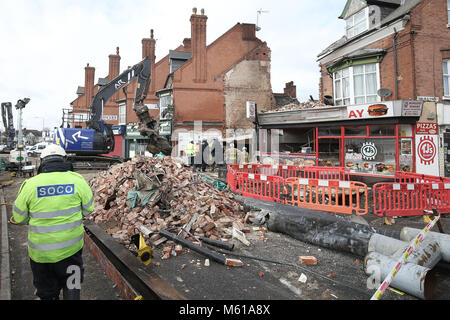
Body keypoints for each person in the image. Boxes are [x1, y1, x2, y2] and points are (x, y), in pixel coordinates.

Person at [11, 144, 95, 300]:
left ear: (43, 162)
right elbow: (89, 208)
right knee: (72, 286)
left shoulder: (30, 184)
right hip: (71, 252)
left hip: (41, 255)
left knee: (47, 293)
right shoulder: (77, 180)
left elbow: (19, 218)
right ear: (64, 159)